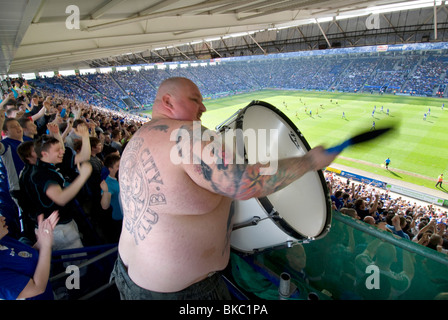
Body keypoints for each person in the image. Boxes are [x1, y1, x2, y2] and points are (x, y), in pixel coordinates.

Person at [111, 77, 337, 300]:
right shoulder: (188, 134)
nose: (204, 107)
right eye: (195, 100)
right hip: (180, 294)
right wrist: (309, 162)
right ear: (168, 102)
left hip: (128, 276)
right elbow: (245, 183)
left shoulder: (137, 138)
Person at [0, 211, 59, 300]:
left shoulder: (3, 240)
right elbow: (37, 288)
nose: (2, 218)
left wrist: (43, 238)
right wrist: (46, 246)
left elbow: (26, 257)